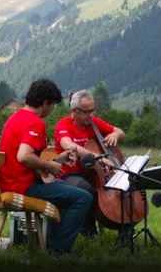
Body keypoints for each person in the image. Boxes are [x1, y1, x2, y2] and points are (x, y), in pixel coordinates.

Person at [0, 78, 93, 255]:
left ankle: (53, 240)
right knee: (83, 198)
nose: (51, 110)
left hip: (9, 182)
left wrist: (58, 160)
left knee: (64, 187)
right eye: (52, 105)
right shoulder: (35, 122)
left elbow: (32, 157)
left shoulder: (16, 116)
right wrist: (50, 168)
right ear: (45, 103)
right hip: (23, 187)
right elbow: (24, 156)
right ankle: (58, 249)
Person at [54, 89, 126, 237]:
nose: (91, 115)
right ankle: (88, 229)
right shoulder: (63, 125)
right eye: (87, 112)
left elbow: (120, 131)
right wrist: (97, 156)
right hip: (69, 175)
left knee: (124, 185)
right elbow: (67, 144)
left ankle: (125, 229)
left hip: (95, 174)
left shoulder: (93, 122)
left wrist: (115, 134)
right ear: (75, 111)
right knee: (86, 189)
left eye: (93, 110)